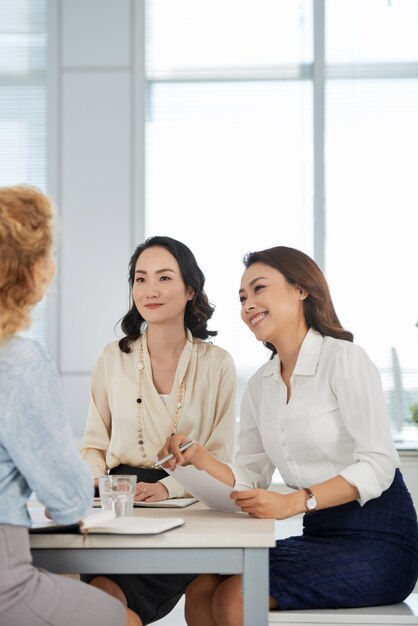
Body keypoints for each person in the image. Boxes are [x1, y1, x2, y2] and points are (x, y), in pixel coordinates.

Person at [158, 245, 418, 626]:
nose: (248, 305)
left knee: (234, 597)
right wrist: (199, 457)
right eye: (242, 297)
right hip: (318, 535)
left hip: (378, 540)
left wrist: (298, 501)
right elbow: (251, 475)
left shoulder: (344, 359)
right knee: (201, 587)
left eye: (259, 289)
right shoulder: (262, 384)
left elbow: (379, 465)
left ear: (301, 289)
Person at [0, 185, 140, 626]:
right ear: (28, 269)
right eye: (50, 251)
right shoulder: (19, 361)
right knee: (121, 618)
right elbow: (67, 499)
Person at [79, 236, 236, 624]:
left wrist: (168, 487)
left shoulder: (218, 364)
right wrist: (99, 483)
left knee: (203, 600)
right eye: (140, 279)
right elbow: (93, 445)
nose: (149, 290)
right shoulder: (111, 357)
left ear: (190, 290)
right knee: (103, 600)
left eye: (164, 278)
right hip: (120, 505)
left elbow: (222, 457)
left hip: (192, 506)